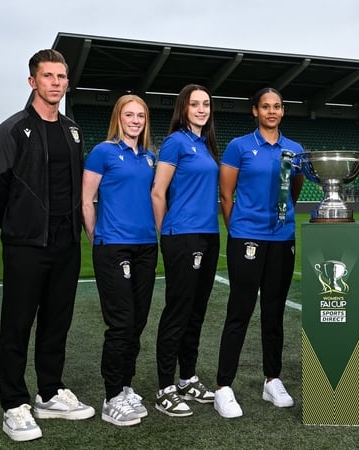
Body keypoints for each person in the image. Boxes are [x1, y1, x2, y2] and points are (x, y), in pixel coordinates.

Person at [0, 49, 95, 442]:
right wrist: (20, 228)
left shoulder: (73, 130)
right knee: (16, 325)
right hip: (26, 245)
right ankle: (14, 403)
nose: (56, 83)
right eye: (48, 76)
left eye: (61, 77)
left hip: (66, 244)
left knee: (56, 323)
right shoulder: (11, 130)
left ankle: (49, 391)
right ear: (33, 81)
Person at [214, 87, 305, 419]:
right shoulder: (239, 146)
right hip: (246, 238)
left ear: (282, 111)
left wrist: (278, 222)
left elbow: (293, 192)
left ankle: (272, 379)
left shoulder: (295, 150)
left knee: (274, 312)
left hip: (282, 239)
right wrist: (239, 229)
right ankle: (223, 386)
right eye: (265, 106)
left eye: (277, 106)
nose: (271, 111)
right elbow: (226, 195)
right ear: (255, 111)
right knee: (239, 311)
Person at [81, 94, 158, 427]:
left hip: (146, 247)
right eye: (130, 114)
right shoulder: (103, 152)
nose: (136, 120)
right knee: (121, 323)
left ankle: (126, 386)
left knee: (138, 322)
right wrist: (98, 240)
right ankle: (111, 396)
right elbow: (86, 200)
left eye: (141, 115)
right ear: (119, 118)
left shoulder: (151, 158)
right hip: (113, 246)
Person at [151, 84, 220, 417]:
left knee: (196, 311)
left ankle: (187, 378)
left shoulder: (206, 144)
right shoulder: (175, 142)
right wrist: (168, 233)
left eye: (206, 104)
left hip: (208, 235)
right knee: (178, 311)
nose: (201, 109)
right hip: (183, 236)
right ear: (184, 108)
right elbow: (158, 192)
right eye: (195, 104)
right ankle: (165, 386)